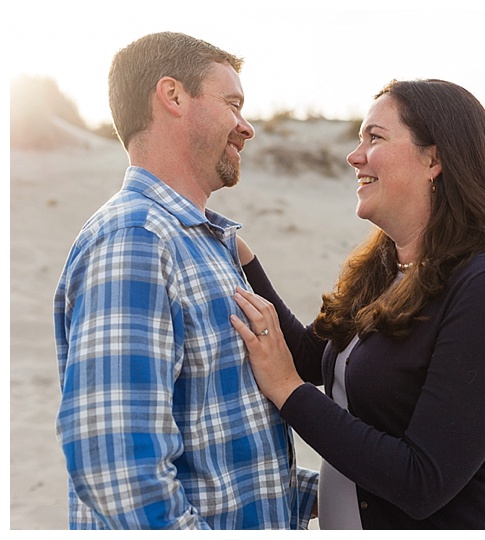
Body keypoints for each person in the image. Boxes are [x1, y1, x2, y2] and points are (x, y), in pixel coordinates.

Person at [231, 79, 485, 529]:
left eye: (374, 138)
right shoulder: (383, 267)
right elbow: (309, 360)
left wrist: (285, 390)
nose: (353, 156)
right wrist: (241, 256)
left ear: (434, 159)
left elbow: (422, 481)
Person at [54, 32, 317, 529]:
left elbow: (214, 447)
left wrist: (337, 493)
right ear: (172, 96)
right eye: (233, 104)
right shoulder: (136, 239)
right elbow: (119, 469)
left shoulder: (200, 242)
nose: (247, 127)